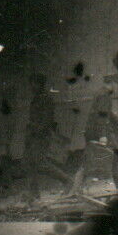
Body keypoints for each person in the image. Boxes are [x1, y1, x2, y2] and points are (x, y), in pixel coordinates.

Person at [69, 73, 118, 194]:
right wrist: (103, 136)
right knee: (116, 158)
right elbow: (102, 117)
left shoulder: (100, 93)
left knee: (90, 161)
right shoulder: (104, 95)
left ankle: (75, 190)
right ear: (111, 84)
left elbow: (108, 113)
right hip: (98, 132)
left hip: (92, 131)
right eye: (115, 85)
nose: (115, 88)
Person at [22, 73, 73, 201]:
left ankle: (67, 181)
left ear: (40, 84)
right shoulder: (36, 98)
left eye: (34, 83)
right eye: (31, 83)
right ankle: (34, 195)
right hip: (33, 136)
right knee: (29, 164)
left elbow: (46, 121)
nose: (31, 86)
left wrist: (35, 131)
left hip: (41, 137)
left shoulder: (45, 99)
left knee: (40, 163)